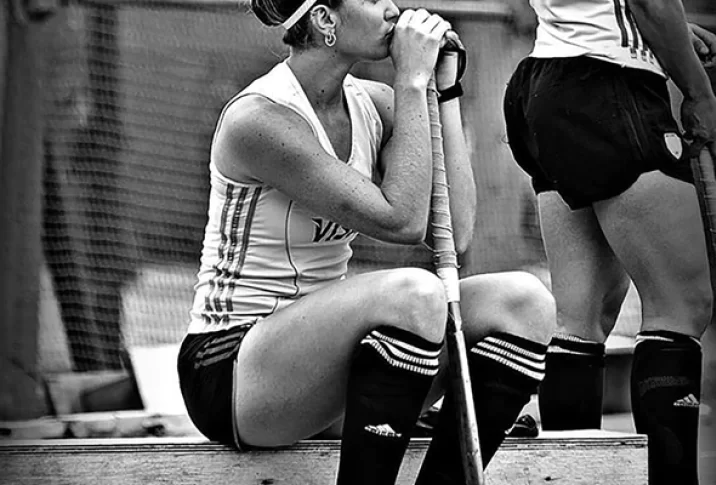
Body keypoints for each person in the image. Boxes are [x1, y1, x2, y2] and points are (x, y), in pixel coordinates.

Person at [176, 0, 555, 483]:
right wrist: (411, 81)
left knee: (525, 302)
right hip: (233, 372)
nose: (393, 8)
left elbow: (455, 231)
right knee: (415, 295)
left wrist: (444, 90)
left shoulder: (374, 103)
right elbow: (403, 223)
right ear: (324, 19)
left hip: (321, 371)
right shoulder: (260, 120)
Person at [503, 0, 716, 484]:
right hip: (608, 85)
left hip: (543, 84)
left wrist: (665, 31)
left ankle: (569, 479)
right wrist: (700, 93)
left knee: (582, 321)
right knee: (682, 309)